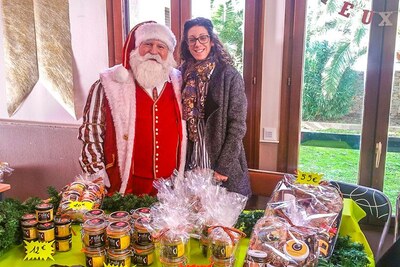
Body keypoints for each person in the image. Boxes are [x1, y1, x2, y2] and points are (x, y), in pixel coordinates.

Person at [78, 21, 186, 196]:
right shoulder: (109, 84)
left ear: (169, 54)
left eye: (161, 46)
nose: (154, 51)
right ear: (136, 48)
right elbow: (91, 133)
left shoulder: (180, 84)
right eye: (148, 44)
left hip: (170, 187)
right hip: (126, 184)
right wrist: (96, 175)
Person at [180, 17, 251, 197]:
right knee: (192, 218)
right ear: (187, 44)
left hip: (219, 165)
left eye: (203, 38)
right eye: (192, 39)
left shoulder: (229, 75)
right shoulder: (181, 75)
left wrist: (224, 166)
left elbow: (238, 125)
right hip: (191, 162)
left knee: (222, 222)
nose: (197, 44)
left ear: (212, 41)